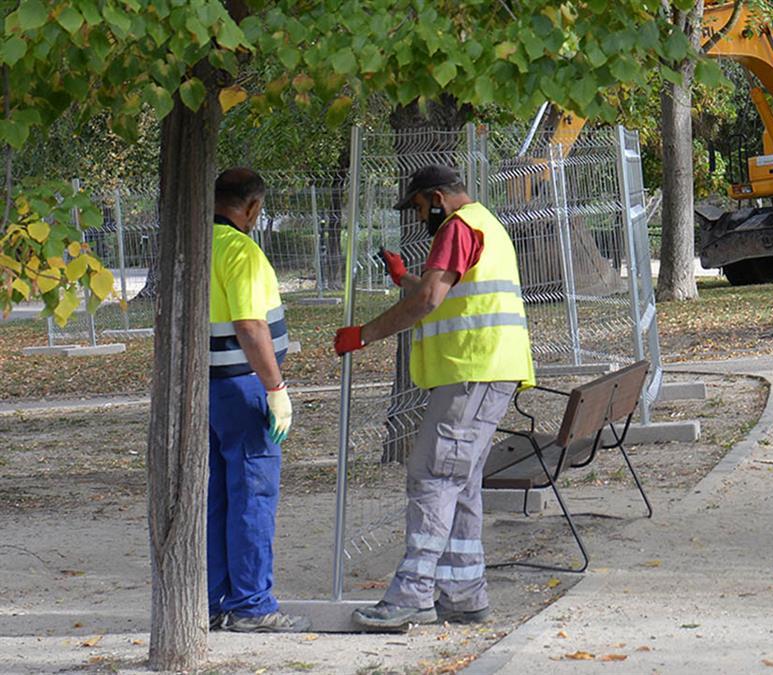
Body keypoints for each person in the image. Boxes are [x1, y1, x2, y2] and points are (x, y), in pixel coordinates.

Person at [333, 165, 535, 631]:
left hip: (473, 372)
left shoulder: (456, 228)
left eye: (421, 207)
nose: (420, 217)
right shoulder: (486, 223)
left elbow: (428, 303)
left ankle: (413, 595)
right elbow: (439, 293)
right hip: (487, 372)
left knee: (432, 476)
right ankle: (464, 594)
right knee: (459, 484)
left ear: (438, 198)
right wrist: (405, 277)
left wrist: (364, 335)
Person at [208, 167, 311, 633]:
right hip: (242, 385)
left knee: (215, 498)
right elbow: (251, 327)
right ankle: (251, 605)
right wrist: (276, 389)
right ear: (251, 207)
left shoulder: (193, 243)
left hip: (201, 389)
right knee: (252, 494)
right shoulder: (240, 251)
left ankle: (209, 600)